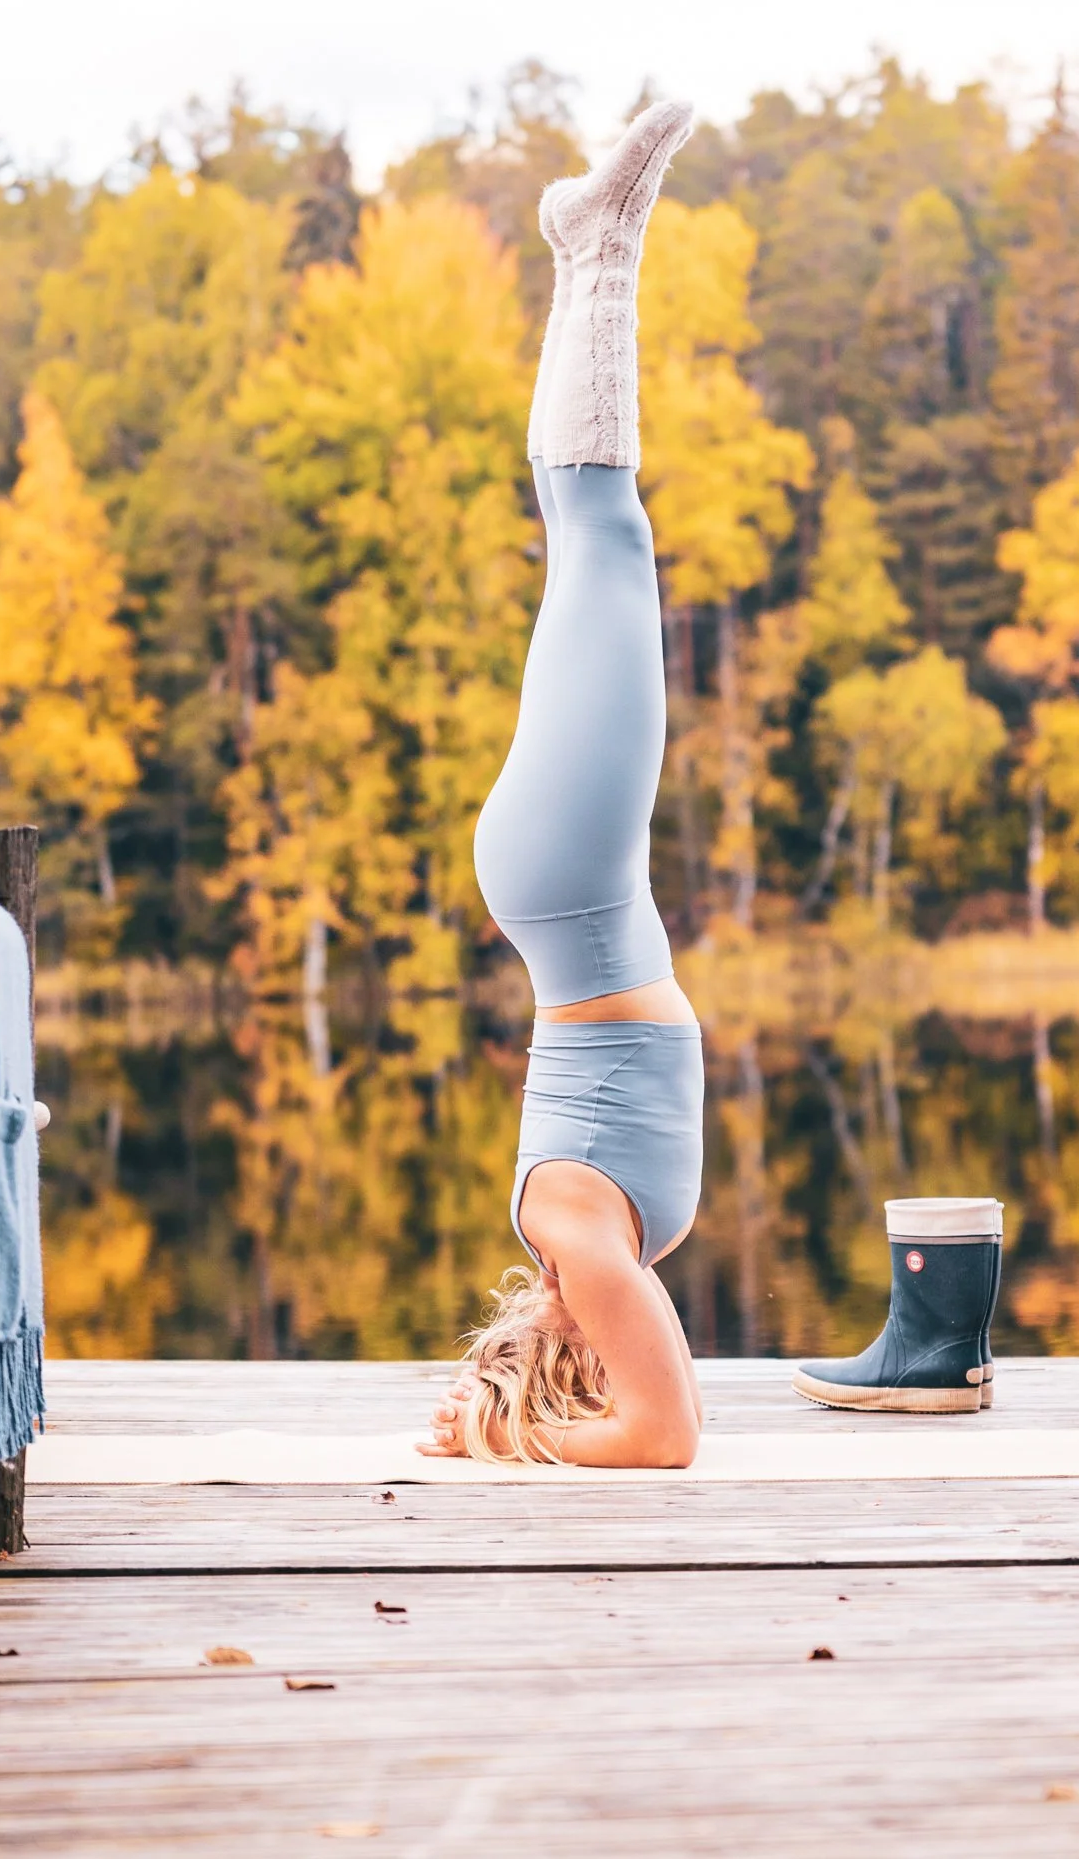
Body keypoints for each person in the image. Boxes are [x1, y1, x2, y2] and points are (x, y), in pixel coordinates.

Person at [421, 101, 704, 1470]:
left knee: (602, 535)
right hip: (574, 894)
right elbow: (654, 1429)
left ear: (569, 1356)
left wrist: (511, 1443)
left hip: (576, 891)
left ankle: (601, 246)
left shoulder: (578, 1240)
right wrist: (514, 1429)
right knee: (592, 537)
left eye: (570, 1366)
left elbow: (664, 1442)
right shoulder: (599, 1242)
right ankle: (591, 250)